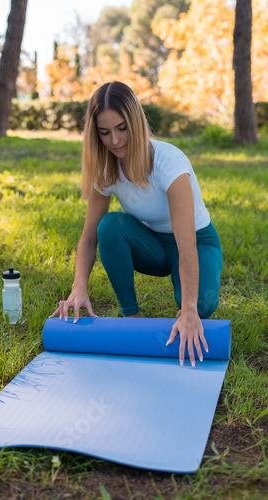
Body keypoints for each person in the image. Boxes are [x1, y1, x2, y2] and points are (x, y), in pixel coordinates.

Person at [50, 81, 223, 367]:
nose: (115, 141)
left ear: (137, 123)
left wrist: (189, 308)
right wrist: (78, 287)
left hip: (195, 242)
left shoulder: (170, 163)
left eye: (121, 128)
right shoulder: (106, 167)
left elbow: (186, 243)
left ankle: (191, 301)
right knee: (109, 226)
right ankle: (132, 319)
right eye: (104, 133)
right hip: (152, 245)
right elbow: (89, 238)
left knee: (202, 306)